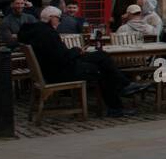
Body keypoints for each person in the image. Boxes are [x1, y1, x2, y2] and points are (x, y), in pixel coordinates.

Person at [17, 7, 149, 117]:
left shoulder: (35, 31)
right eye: (59, 18)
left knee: (101, 56)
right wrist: (76, 51)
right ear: (51, 18)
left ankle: (123, 87)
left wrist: (75, 52)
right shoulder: (47, 34)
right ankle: (118, 103)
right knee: (101, 69)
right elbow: (61, 57)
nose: (60, 21)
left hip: (53, 69)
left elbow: (57, 55)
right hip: (60, 72)